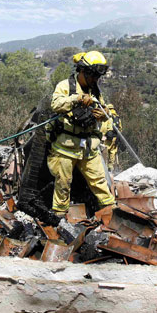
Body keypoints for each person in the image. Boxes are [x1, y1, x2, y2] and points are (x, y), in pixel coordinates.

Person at [46, 51, 116, 218]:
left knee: (99, 181)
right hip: (66, 146)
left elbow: (104, 109)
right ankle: (59, 215)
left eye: (97, 78)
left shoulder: (95, 90)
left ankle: (111, 213)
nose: (94, 80)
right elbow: (56, 104)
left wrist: (103, 112)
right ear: (82, 72)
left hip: (88, 147)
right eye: (92, 76)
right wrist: (76, 99)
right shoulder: (65, 86)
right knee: (63, 183)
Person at [101, 104, 122, 173]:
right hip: (115, 138)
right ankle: (111, 168)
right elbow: (120, 128)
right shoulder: (117, 117)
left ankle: (104, 169)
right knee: (112, 152)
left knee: (105, 151)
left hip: (107, 138)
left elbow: (104, 128)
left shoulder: (107, 117)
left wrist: (102, 136)